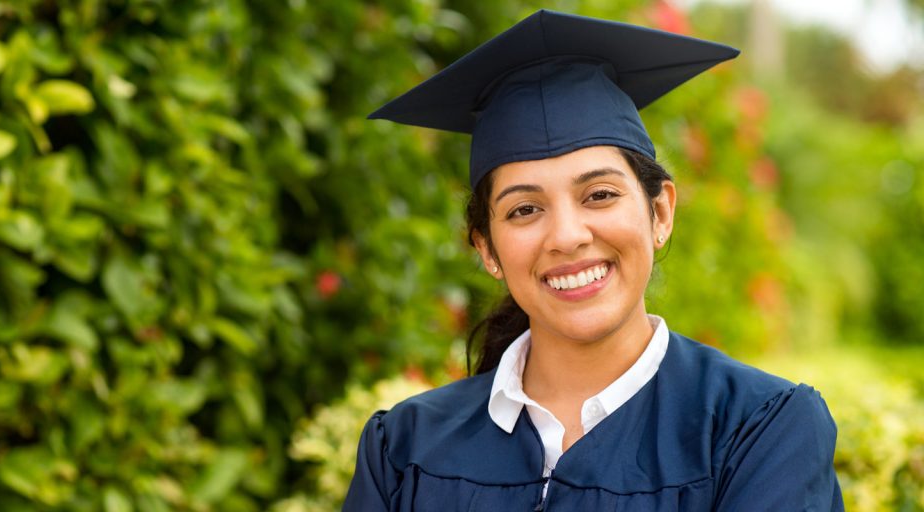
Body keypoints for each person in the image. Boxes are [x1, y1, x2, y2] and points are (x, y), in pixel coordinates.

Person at [344, 9, 843, 511]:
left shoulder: (757, 430)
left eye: (599, 194)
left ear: (660, 212)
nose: (566, 236)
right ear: (487, 250)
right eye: (525, 209)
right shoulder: (404, 449)